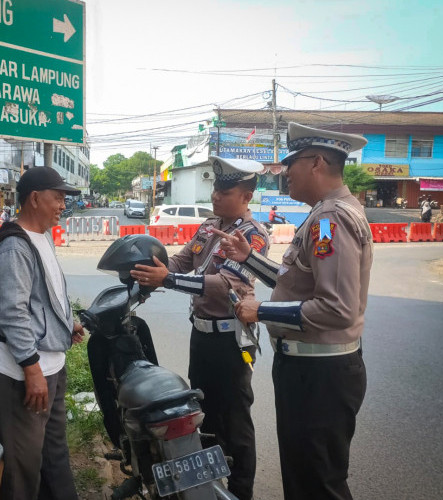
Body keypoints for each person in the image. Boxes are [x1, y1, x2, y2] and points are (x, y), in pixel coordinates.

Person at [217, 122, 372, 500]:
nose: (285, 172)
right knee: (307, 479)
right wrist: (249, 258)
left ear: (317, 163)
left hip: (318, 375)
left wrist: (261, 312)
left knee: (317, 485)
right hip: (315, 371)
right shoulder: (328, 212)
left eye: (291, 163)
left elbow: (336, 309)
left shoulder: (329, 219)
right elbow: (297, 281)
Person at [129, 157, 270, 500]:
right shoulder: (208, 226)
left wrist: (170, 279)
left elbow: (226, 282)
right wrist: (151, 270)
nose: (216, 195)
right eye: (215, 188)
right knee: (202, 416)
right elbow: (181, 260)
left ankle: (240, 492)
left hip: (231, 340)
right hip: (202, 335)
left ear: (247, 196)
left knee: (235, 422)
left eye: (226, 190)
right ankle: (208, 487)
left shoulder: (253, 235)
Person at [0, 166, 85, 500]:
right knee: (23, 466)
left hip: (50, 367)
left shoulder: (42, 238)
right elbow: (14, 312)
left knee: (54, 456)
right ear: (35, 198)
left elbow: (46, 296)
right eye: (58, 197)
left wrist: (66, 322)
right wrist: (32, 368)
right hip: (22, 374)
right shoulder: (15, 246)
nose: (62, 205)